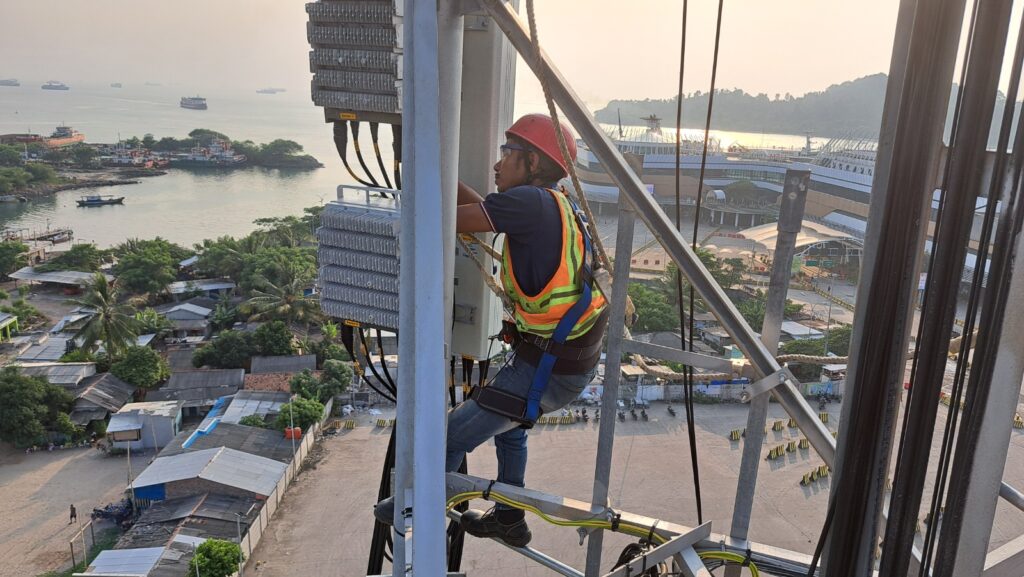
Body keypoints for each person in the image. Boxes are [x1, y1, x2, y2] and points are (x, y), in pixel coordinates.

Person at [374, 114, 608, 547]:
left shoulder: (530, 205)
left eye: (507, 153)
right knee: (511, 427)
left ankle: (414, 512)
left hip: (547, 368)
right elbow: (478, 205)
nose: (499, 164)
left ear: (533, 161)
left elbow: (441, 218)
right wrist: (433, 170)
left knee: (444, 438)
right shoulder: (551, 204)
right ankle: (508, 518)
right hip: (559, 360)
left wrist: (416, 167)